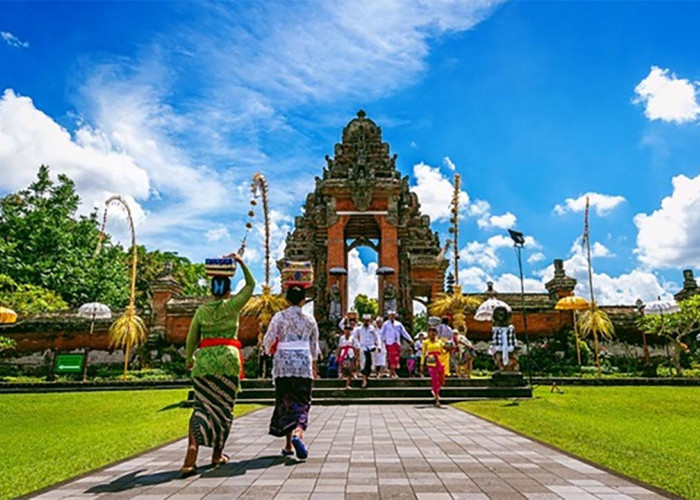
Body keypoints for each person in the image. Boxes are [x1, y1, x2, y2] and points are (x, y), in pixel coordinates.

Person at [180, 253, 254, 476]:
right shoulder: (233, 306)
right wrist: (240, 262)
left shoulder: (202, 310)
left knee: (201, 407)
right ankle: (216, 454)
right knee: (223, 409)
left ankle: (191, 451)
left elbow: (191, 338)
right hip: (228, 362)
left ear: (212, 290)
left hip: (204, 363)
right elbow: (251, 285)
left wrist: (189, 360)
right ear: (229, 290)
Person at [263, 285, 320, 460]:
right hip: (303, 362)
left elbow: (269, 338)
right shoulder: (309, 319)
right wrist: (314, 368)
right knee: (303, 402)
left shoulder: (279, 317)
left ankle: (288, 445)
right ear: (303, 301)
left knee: (285, 401)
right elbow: (314, 346)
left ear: (287, 300)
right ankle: (297, 434)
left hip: (283, 363)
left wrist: (268, 351)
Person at [379, 310, 414, 378]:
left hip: (397, 343)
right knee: (391, 357)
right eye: (390, 315)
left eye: (393, 315)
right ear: (388, 316)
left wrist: (410, 339)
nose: (392, 316)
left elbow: (404, 332)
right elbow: (381, 333)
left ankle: (392, 372)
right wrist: (381, 341)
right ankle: (393, 372)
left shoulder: (398, 324)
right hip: (390, 342)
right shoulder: (386, 324)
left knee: (396, 358)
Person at [421, 326, 449, 407]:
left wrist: (448, 349)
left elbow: (443, 351)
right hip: (431, 361)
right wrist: (422, 364)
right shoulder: (425, 342)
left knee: (442, 379)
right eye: (430, 331)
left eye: (434, 331)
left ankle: (435, 390)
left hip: (440, 361)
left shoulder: (439, 342)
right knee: (435, 379)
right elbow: (423, 353)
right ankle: (437, 399)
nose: (432, 333)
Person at [353, 313, 381, 388]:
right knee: (363, 363)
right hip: (363, 347)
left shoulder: (372, 328)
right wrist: (358, 345)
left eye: (368, 321)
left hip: (371, 347)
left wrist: (378, 346)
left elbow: (377, 337)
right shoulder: (358, 329)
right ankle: (364, 380)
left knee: (370, 364)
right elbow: (354, 337)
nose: (366, 322)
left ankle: (367, 376)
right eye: (365, 321)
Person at [337, 324, 360, 389]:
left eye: (348, 330)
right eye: (346, 330)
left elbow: (355, 347)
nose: (347, 331)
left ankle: (348, 383)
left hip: (350, 353)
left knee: (350, 368)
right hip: (343, 354)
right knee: (345, 366)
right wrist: (337, 355)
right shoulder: (342, 338)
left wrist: (356, 355)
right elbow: (340, 347)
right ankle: (342, 374)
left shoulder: (353, 338)